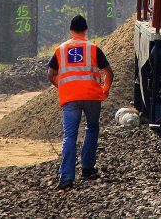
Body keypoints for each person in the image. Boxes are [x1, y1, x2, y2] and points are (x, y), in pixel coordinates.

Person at [48, 15, 113, 191]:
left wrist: (62, 87)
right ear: (85, 30)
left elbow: (50, 74)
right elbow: (109, 72)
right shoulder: (93, 48)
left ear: (70, 29)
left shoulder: (60, 50)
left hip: (70, 99)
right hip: (92, 97)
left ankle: (67, 178)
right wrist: (105, 90)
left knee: (69, 136)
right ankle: (87, 168)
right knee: (92, 128)